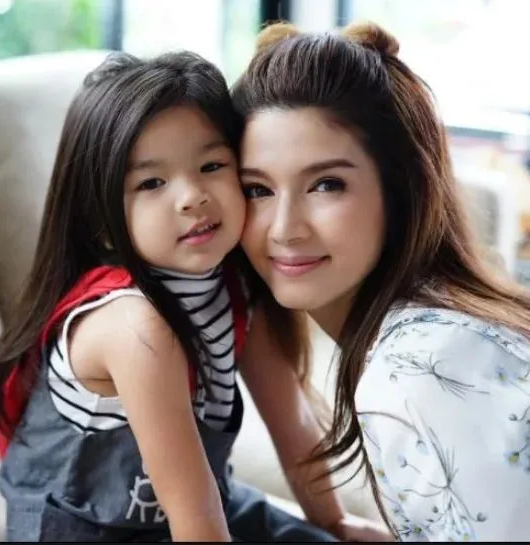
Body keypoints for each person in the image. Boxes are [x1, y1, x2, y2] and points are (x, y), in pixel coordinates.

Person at [0, 50, 359, 542]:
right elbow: (194, 512)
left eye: (211, 165)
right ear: (101, 218)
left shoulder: (237, 290)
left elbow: (293, 420)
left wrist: (335, 524)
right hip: (87, 530)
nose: (192, 196)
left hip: (202, 506)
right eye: (151, 182)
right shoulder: (132, 326)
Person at [232, 20, 530, 542]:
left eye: (326, 184)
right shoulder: (442, 334)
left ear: (400, 190)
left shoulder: (415, 371)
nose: (284, 229)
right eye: (257, 189)